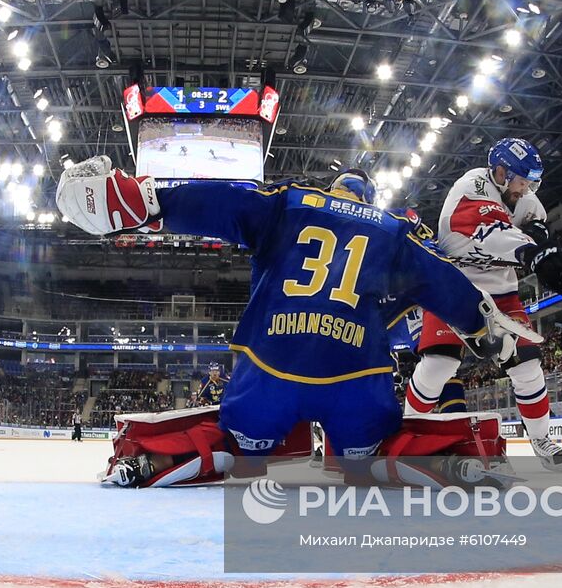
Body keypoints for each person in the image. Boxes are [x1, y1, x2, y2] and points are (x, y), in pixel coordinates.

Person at [56, 159, 530, 487]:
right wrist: (486, 328)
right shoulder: (390, 228)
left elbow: (227, 204)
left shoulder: (292, 202)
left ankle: (151, 462)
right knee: (368, 457)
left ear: (334, 188)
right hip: (355, 379)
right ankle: (451, 466)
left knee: (239, 449)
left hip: (271, 371)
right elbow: (441, 281)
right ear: (369, 195)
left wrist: (149, 203)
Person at [403, 138, 562, 471]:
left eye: (531, 182)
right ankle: (407, 431)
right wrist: (531, 252)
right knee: (440, 363)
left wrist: (546, 250)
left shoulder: (527, 200)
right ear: (500, 172)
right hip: (455, 285)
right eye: (522, 181)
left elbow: (536, 231)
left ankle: (541, 438)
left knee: (527, 365)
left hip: (502, 291)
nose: (526, 190)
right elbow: (491, 234)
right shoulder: (471, 187)